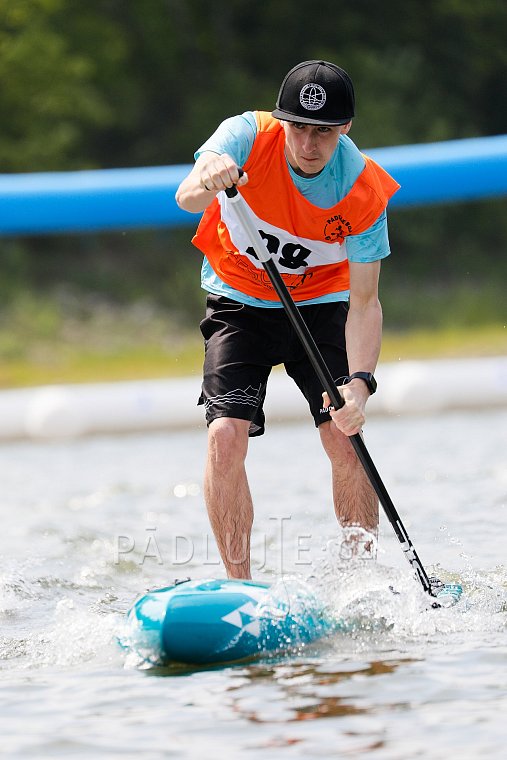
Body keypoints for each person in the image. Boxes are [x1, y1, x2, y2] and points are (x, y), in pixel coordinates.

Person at [176, 60, 400, 579]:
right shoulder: (246, 134)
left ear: (344, 129)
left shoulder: (363, 191)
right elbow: (186, 198)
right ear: (283, 122)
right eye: (298, 127)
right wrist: (209, 177)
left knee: (344, 436)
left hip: (320, 308)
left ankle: (360, 578)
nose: (308, 144)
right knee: (225, 436)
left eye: (323, 131)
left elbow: (365, 303)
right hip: (238, 303)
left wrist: (361, 386)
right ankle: (240, 587)